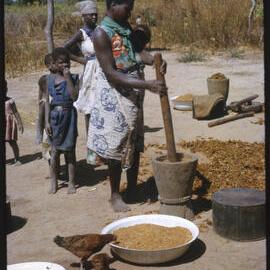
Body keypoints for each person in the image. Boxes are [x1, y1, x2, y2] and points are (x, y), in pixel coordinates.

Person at [87, 0, 167, 212]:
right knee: (116, 145)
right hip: (115, 94)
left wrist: (154, 61)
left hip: (134, 91)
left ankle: (132, 188)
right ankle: (115, 195)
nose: (131, 12)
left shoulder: (125, 28)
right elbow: (112, 74)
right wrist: (148, 84)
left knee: (135, 140)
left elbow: (137, 53)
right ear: (113, 4)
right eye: (127, 7)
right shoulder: (101, 34)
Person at [45, 47, 79, 194]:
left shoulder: (74, 78)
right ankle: (54, 181)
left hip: (69, 116)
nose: (65, 65)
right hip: (54, 117)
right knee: (54, 152)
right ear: (54, 63)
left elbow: (74, 97)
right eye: (61, 63)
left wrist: (67, 78)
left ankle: (71, 182)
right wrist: (46, 121)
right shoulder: (49, 79)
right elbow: (46, 101)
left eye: (67, 62)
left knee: (70, 151)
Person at [64, 0, 98, 137]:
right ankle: (91, 141)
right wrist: (81, 60)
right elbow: (64, 49)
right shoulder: (81, 33)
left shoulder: (100, 29)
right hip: (90, 70)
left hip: (102, 68)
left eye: (95, 14)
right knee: (90, 104)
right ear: (83, 17)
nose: (94, 17)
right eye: (90, 15)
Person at [5, 80, 24, 165]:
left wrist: (20, 123)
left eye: (5, 88)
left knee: (12, 142)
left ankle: (17, 159)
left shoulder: (10, 101)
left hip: (9, 124)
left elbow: (16, 112)